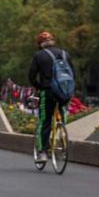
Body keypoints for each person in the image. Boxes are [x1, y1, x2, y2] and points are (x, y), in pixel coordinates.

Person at [29, 31, 74, 164]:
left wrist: (39, 86)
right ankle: (61, 131)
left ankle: (42, 152)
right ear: (53, 41)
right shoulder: (65, 54)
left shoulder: (39, 55)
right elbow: (73, 74)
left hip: (47, 91)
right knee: (61, 111)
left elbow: (31, 76)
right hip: (64, 92)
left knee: (45, 120)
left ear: (40, 44)